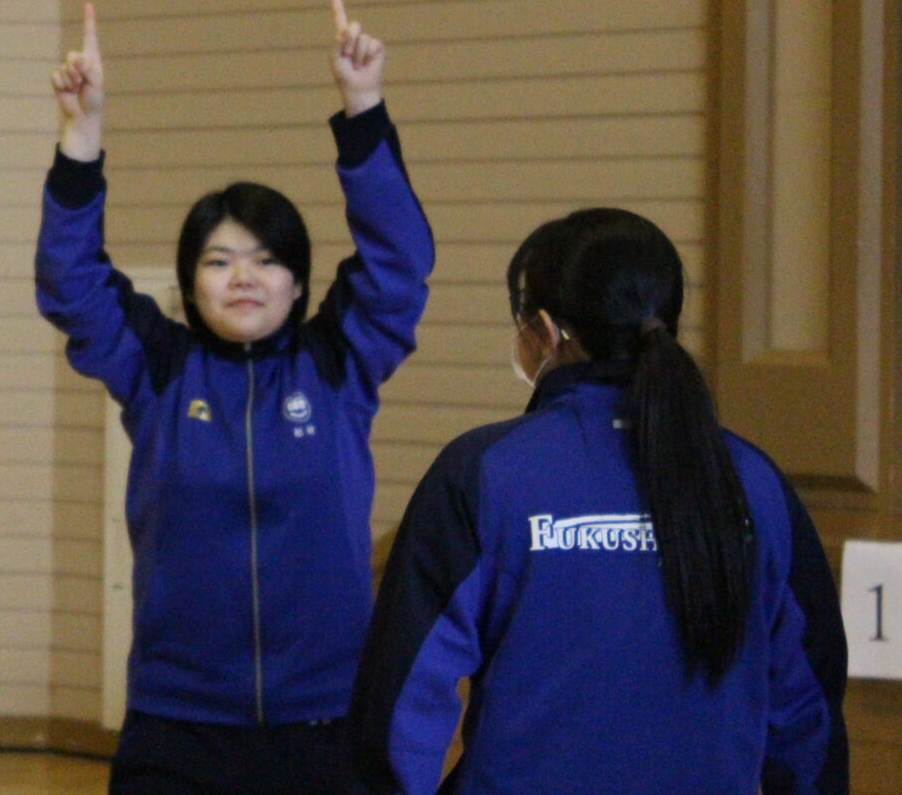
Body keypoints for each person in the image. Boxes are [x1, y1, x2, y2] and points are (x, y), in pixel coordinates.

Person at [36, 0, 434, 794]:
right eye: (219, 261)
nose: (244, 277)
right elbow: (71, 284)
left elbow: (399, 264)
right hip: (179, 723)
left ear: (297, 283)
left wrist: (364, 110)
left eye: (266, 259)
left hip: (326, 718)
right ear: (189, 284)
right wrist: (81, 140)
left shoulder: (337, 363)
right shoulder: (159, 367)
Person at [348, 208, 848, 795]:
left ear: (545, 331)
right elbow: (807, 711)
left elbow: (402, 707)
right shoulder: (754, 483)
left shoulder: (486, 474)